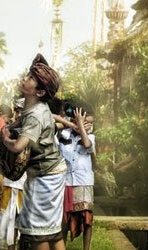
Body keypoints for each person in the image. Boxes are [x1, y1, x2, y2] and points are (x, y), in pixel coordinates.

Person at [0, 53, 67, 250]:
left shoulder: (36, 115)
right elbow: (23, 119)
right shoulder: (37, 107)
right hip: (53, 171)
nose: (25, 79)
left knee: (38, 231)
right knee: (52, 229)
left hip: (45, 175)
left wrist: (5, 139)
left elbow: (19, 146)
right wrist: (13, 124)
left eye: (30, 79)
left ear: (39, 92)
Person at [0, 103, 27, 250]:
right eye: (17, 110)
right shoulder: (8, 129)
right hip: (10, 181)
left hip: (24, 182)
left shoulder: (31, 130)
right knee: (1, 214)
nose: (19, 113)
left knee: (18, 217)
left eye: (22, 110)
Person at [56, 101, 96, 250]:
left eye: (89, 123)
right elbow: (50, 118)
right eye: (84, 121)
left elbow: (87, 145)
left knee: (86, 218)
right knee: (65, 219)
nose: (87, 125)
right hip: (65, 181)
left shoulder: (91, 137)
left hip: (83, 181)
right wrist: (71, 123)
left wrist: (82, 128)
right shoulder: (63, 134)